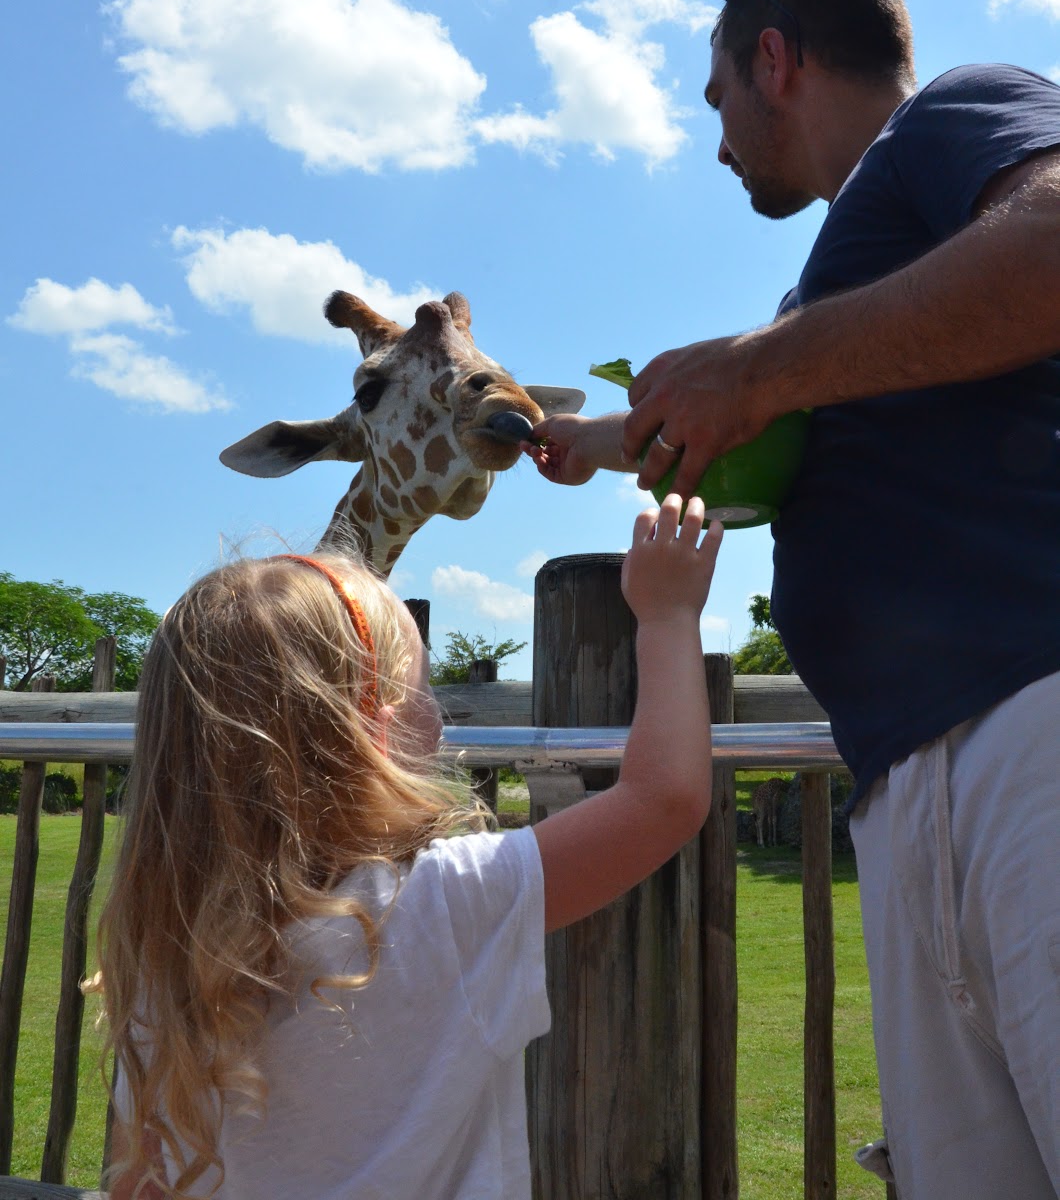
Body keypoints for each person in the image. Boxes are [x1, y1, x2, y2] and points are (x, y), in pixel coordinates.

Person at [527, 0, 1060, 1199]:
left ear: (775, 58)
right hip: (910, 775)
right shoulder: (828, 296)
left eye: (716, 100)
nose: (717, 145)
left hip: (1032, 720)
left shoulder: (955, 113)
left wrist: (761, 369)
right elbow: (761, 430)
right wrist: (569, 441)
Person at [92, 497, 722, 1200]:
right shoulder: (448, 901)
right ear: (380, 733)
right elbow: (663, 799)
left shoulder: (166, 947)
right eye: (425, 688)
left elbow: (142, 1174)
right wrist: (668, 617)